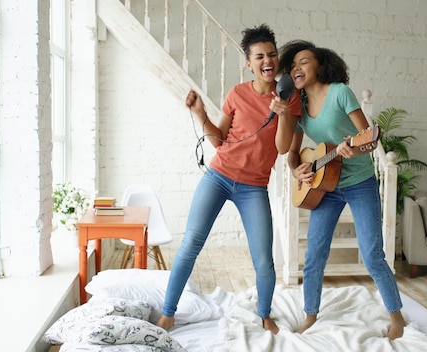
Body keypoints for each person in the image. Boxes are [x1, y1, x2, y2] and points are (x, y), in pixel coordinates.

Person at [156, 24, 300, 335]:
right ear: (249, 63)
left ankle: (264, 314)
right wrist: (199, 113)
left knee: (264, 260)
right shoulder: (237, 93)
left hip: (254, 187)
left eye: (272, 54)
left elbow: (283, 147)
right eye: (259, 56)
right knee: (191, 244)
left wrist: (284, 113)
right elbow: (220, 141)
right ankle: (168, 313)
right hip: (219, 176)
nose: (268, 61)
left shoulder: (289, 98)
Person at [278, 40, 406, 339]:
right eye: (293, 65)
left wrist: (356, 150)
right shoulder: (299, 108)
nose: (297, 67)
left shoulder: (340, 93)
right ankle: (311, 314)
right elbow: (293, 153)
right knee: (314, 254)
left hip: (359, 183)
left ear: (320, 65)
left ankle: (396, 316)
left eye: (304, 61)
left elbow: (370, 138)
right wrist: (295, 169)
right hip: (325, 187)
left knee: (373, 254)